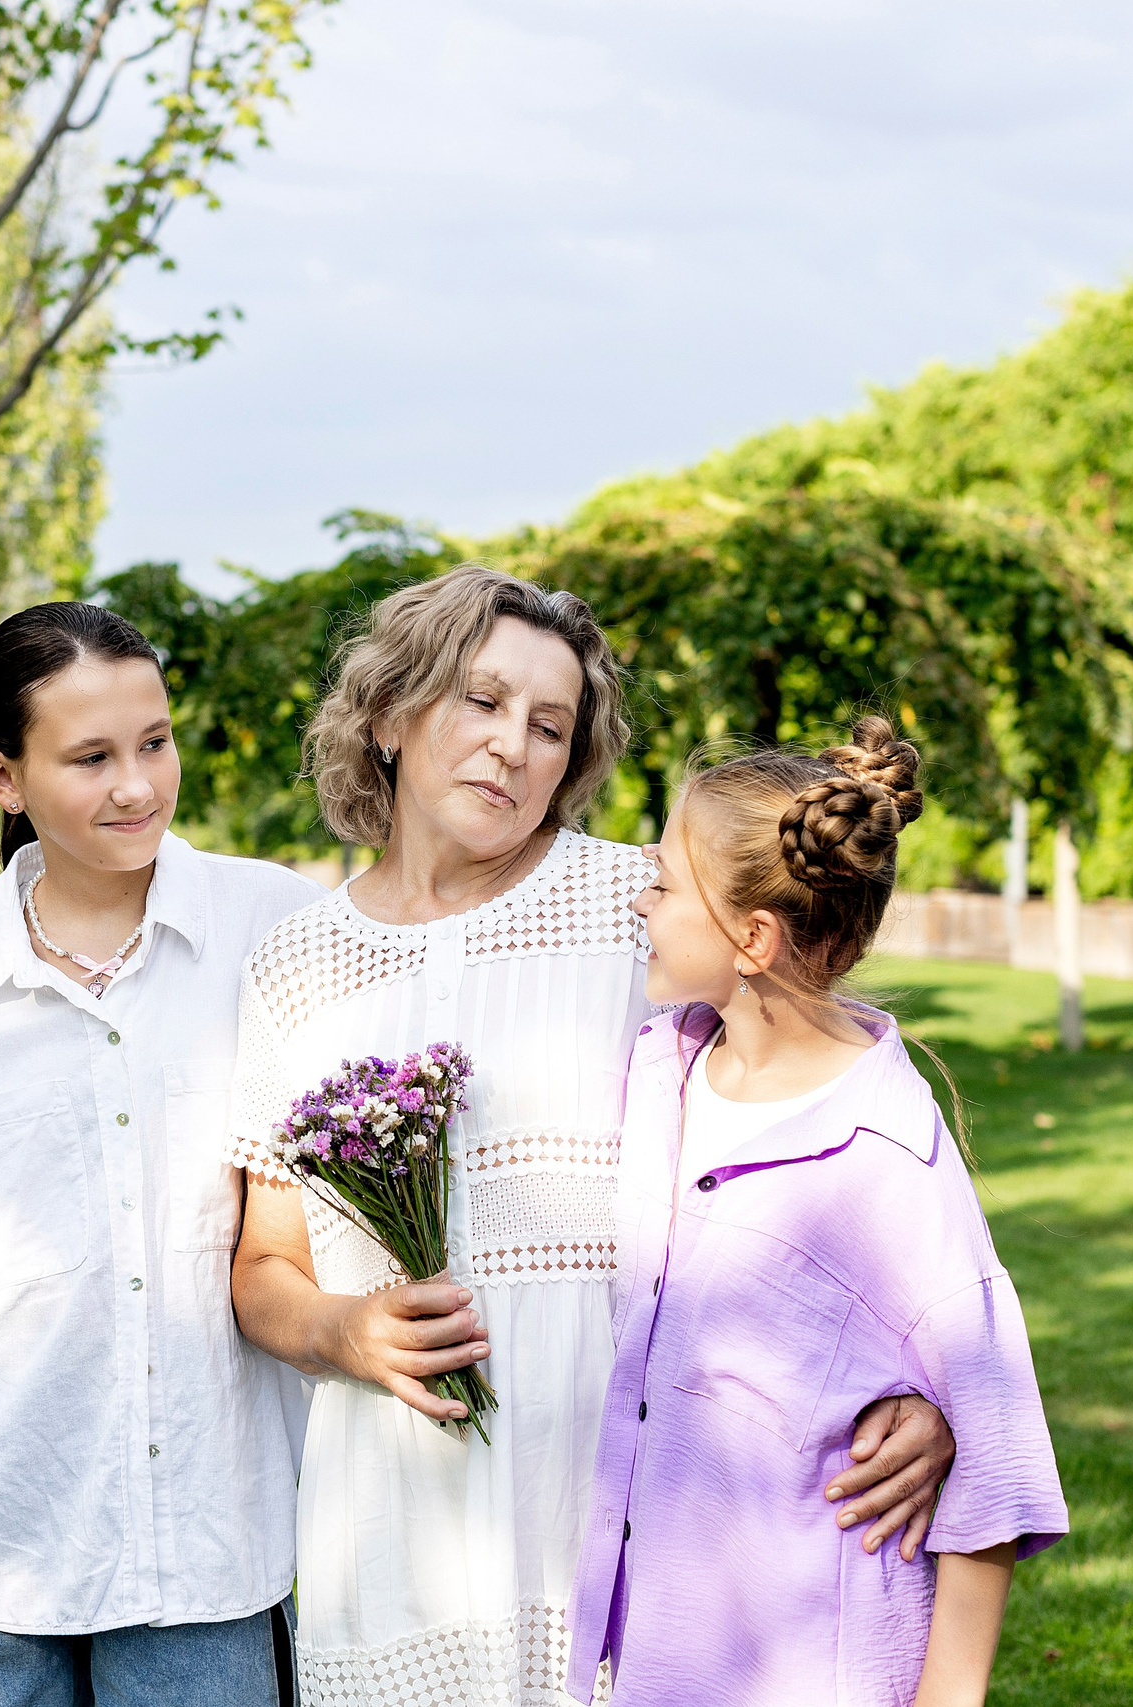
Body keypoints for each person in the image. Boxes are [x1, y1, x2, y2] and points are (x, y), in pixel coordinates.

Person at [226, 568, 959, 1707]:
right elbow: (264, 1263)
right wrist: (346, 1329)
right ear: (389, 714)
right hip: (390, 1504)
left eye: (548, 726)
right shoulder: (295, 963)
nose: (511, 746)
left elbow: (827, 1107)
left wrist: (913, 1378)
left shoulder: (644, 910)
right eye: (479, 701)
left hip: (628, 1508)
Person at [0, 602, 325, 1707]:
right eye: (91, 757)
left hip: (207, 1544)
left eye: (154, 743)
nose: (137, 787)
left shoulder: (273, 925)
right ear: (1, 777)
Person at [565, 721, 1069, 1706]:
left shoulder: (886, 1158)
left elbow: (999, 1456)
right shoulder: (655, 1071)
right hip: (653, 1666)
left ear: (751, 939)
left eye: (665, 885)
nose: (640, 899)